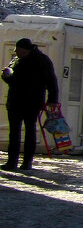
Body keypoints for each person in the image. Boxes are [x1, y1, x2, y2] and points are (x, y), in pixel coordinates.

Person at [2, 37, 59, 171]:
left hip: (32, 101)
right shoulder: (17, 60)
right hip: (16, 100)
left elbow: (51, 80)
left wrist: (52, 99)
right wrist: (5, 76)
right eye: (17, 51)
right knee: (15, 132)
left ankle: (26, 162)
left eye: (20, 51)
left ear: (27, 50)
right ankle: (12, 162)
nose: (18, 54)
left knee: (29, 131)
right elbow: (12, 80)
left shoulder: (41, 60)